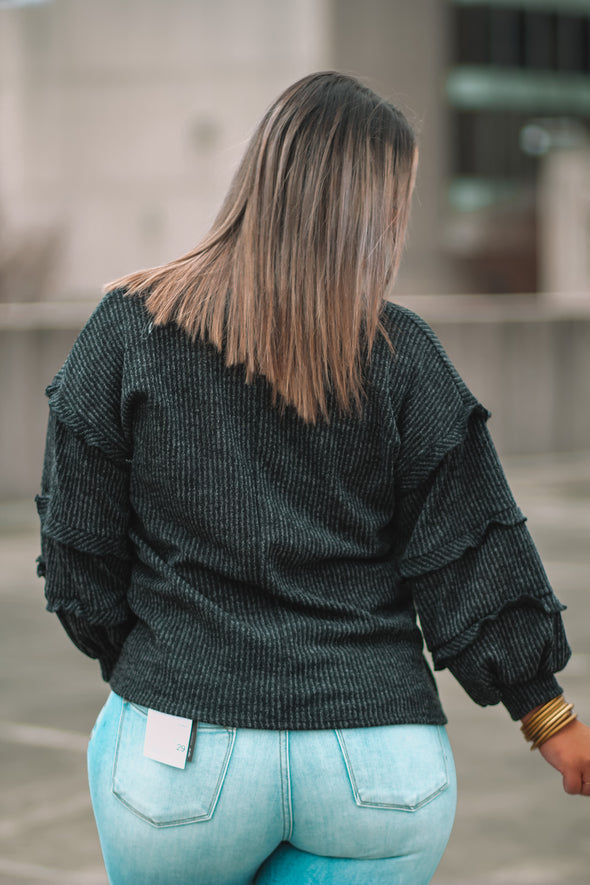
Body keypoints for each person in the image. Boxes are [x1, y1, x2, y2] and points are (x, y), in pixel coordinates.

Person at [35, 71, 590, 885]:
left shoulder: (127, 328)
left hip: (177, 763)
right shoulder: (405, 355)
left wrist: (166, 656)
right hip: (377, 770)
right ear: (377, 212)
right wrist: (549, 716)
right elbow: (470, 547)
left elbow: (78, 550)